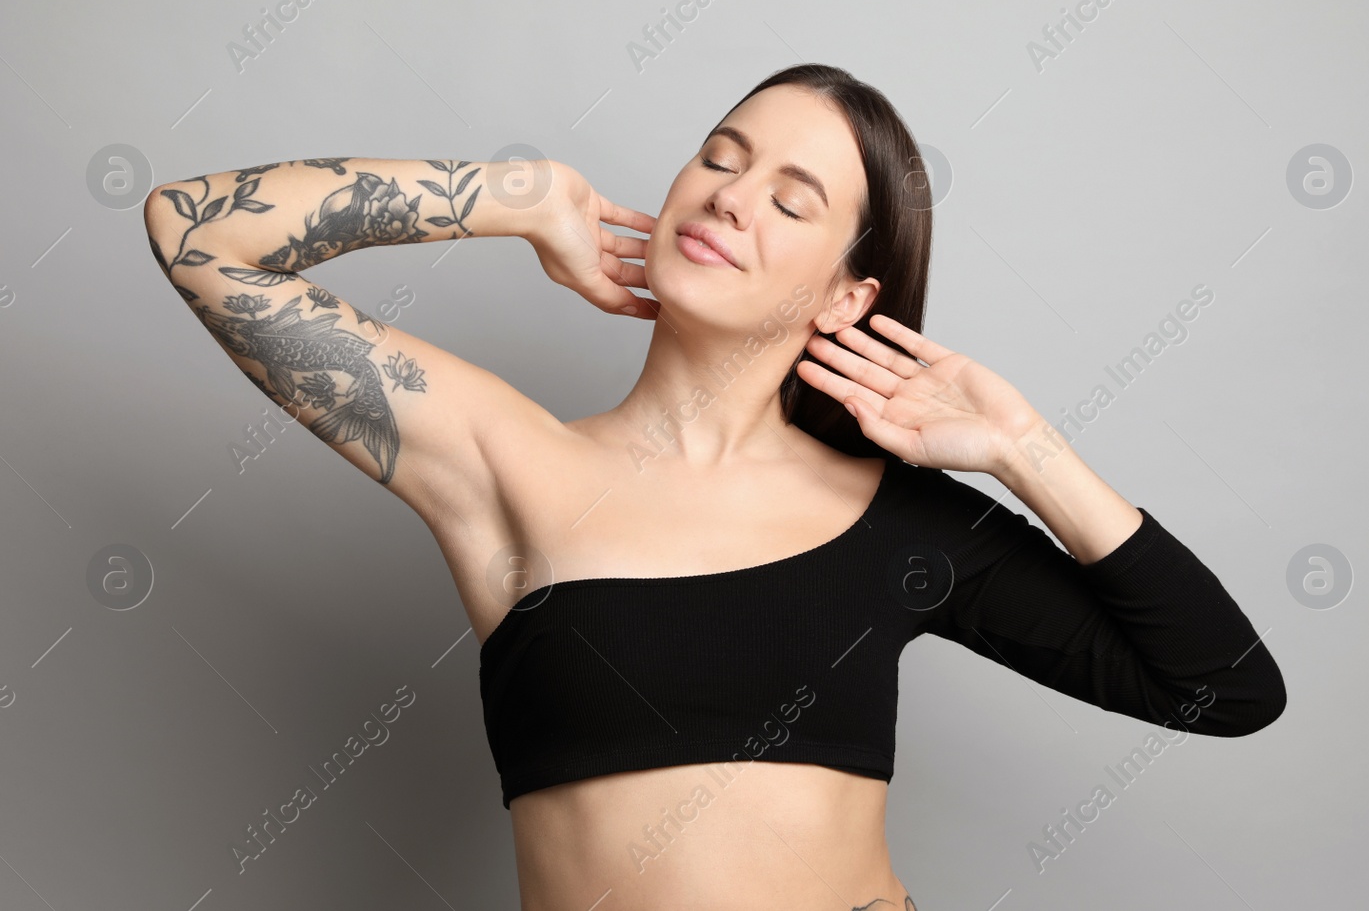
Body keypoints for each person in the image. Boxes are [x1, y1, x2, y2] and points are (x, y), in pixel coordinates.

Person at [144, 63, 1285, 909]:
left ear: (846, 297)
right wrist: (516, 190)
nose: (734, 197)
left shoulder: (906, 525)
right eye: (722, 158)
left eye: (792, 201)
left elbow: (1224, 686)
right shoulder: (514, 464)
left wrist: (1025, 448)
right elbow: (199, 238)